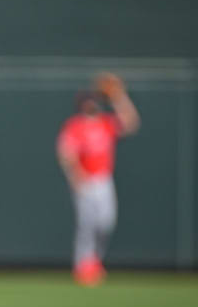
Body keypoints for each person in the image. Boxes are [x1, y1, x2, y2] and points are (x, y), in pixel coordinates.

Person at [56, 72, 140, 286]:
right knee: (87, 224)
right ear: (81, 104)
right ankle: (83, 265)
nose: (90, 104)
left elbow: (131, 123)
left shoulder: (105, 123)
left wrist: (118, 97)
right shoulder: (75, 125)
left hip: (103, 180)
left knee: (106, 223)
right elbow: (66, 152)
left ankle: (93, 260)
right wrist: (75, 175)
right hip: (85, 181)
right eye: (87, 101)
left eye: (92, 101)